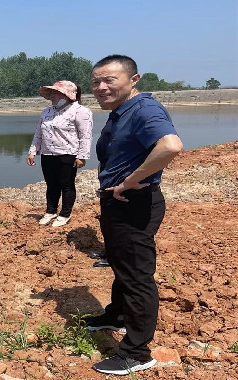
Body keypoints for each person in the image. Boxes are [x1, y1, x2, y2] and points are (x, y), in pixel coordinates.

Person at [85, 54, 183, 376]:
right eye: (96, 82)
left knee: (137, 277)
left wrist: (130, 180)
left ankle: (137, 353)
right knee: (120, 263)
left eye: (109, 80)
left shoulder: (144, 109)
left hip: (135, 202)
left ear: (133, 80)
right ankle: (117, 315)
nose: (101, 87)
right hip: (118, 201)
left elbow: (170, 145)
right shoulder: (120, 111)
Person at [27, 80, 93, 227]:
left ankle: (65, 214)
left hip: (68, 154)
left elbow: (85, 136)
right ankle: (50, 211)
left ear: (67, 95)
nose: (52, 96)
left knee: (67, 185)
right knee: (51, 185)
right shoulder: (47, 112)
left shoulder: (80, 111)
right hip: (47, 154)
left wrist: (82, 156)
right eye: (51, 93)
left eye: (55, 93)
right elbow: (39, 133)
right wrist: (32, 151)